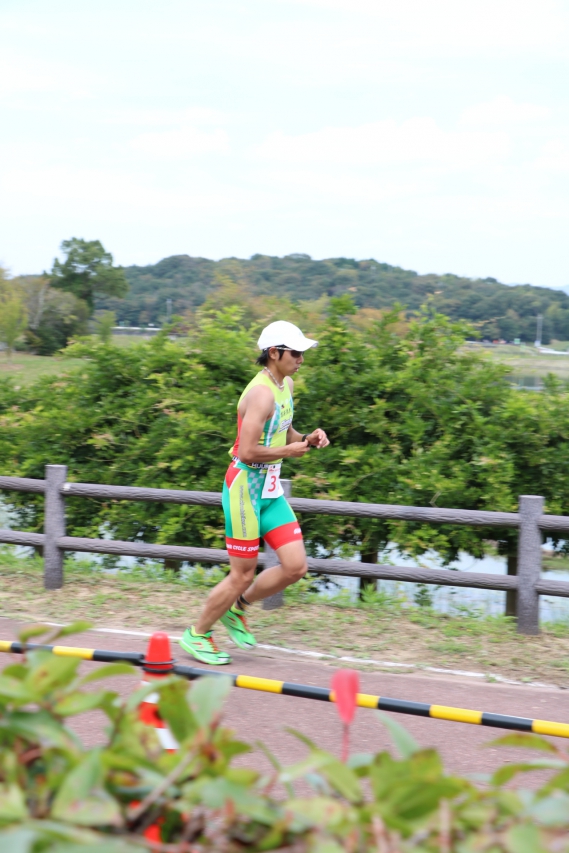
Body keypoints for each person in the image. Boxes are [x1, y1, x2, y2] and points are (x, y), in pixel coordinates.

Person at [180, 320, 330, 664]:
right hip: (244, 489)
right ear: (274, 353)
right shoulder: (260, 393)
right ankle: (197, 634)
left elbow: (284, 432)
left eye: (303, 353)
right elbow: (247, 451)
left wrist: (307, 439)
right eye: (296, 353)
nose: (301, 359)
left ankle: (237, 609)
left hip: (270, 490)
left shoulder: (285, 384)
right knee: (242, 574)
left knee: (295, 567)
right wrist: (288, 452)